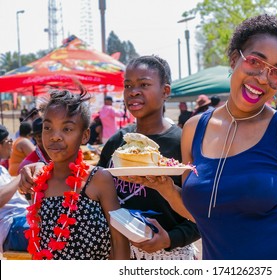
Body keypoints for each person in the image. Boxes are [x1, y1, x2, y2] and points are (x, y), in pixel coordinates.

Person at [124, 14, 277, 260]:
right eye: (255, 61)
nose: (262, 78)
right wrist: (166, 188)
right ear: (235, 59)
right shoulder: (194, 129)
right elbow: (202, 213)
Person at [97, 55, 200, 260]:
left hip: (171, 257)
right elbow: (98, 195)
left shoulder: (183, 144)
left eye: (144, 84)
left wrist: (169, 239)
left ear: (165, 91)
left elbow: (202, 214)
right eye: (128, 85)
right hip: (122, 255)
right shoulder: (117, 143)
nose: (133, 91)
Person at [22, 89, 129, 260]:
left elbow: (119, 241)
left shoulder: (98, 179)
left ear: (85, 135)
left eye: (67, 129)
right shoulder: (39, 181)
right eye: (48, 127)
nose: (55, 137)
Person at [0, 125, 29, 254]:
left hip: (23, 219)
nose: (11, 144)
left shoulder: (2, 169)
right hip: (12, 226)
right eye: (9, 141)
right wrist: (21, 177)